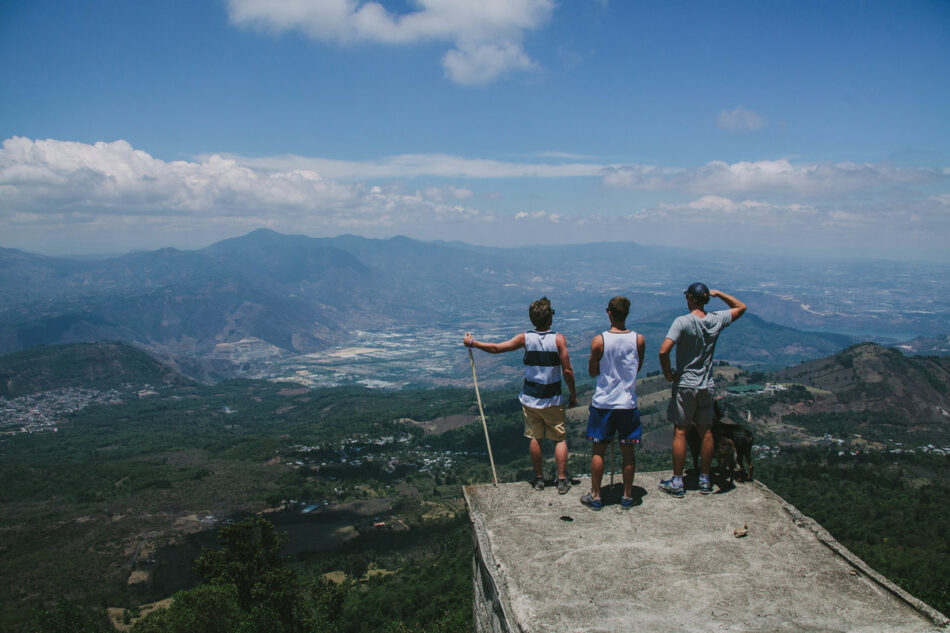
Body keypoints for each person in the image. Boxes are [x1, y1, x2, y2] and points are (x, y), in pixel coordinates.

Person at [464, 297, 578, 494]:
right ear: (549, 318)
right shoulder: (558, 340)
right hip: (552, 399)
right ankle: (561, 480)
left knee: (535, 438)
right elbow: (567, 371)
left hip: (530, 398)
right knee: (559, 439)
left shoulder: (525, 338)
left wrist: (473, 342)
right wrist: (573, 395)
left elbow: (496, 348)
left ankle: (539, 479)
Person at [657, 284, 746, 497]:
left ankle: (678, 482)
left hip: (686, 384)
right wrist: (719, 294)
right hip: (706, 385)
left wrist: (669, 375)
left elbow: (663, 350)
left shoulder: (682, 322)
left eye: (687, 297)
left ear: (690, 298)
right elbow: (741, 307)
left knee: (680, 430)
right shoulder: (716, 319)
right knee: (706, 431)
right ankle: (705, 480)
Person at [580, 296, 645, 511]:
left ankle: (596, 496)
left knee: (599, 450)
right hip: (627, 403)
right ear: (627, 313)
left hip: (604, 403)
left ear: (609, 312)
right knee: (628, 452)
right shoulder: (638, 340)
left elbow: (592, 371)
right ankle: (627, 496)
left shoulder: (599, 341)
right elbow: (637, 368)